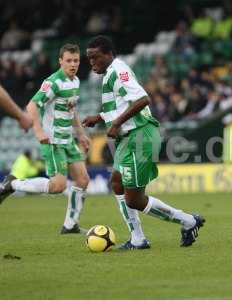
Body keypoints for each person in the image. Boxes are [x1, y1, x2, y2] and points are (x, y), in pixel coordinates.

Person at [83, 35, 205, 249]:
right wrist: (101, 118)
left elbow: (143, 99)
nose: (91, 63)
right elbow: (121, 105)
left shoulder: (119, 72)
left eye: (95, 58)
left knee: (134, 199)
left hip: (139, 135)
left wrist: (116, 123)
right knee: (117, 182)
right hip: (129, 137)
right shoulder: (109, 74)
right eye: (89, 59)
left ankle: (188, 221)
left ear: (108, 54)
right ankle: (138, 239)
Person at [0, 44, 90, 234]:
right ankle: (13, 184)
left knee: (82, 180)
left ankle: (70, 225)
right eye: (69, 61)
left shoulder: (75, 82)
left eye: (76, 60)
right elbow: (32, 106)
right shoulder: (53, 82)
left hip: (68, 139)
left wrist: (81, 134)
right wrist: (39, 131)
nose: (73, 64)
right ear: (60, 61)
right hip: (53, 141)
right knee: (58, 186)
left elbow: (71, 109)